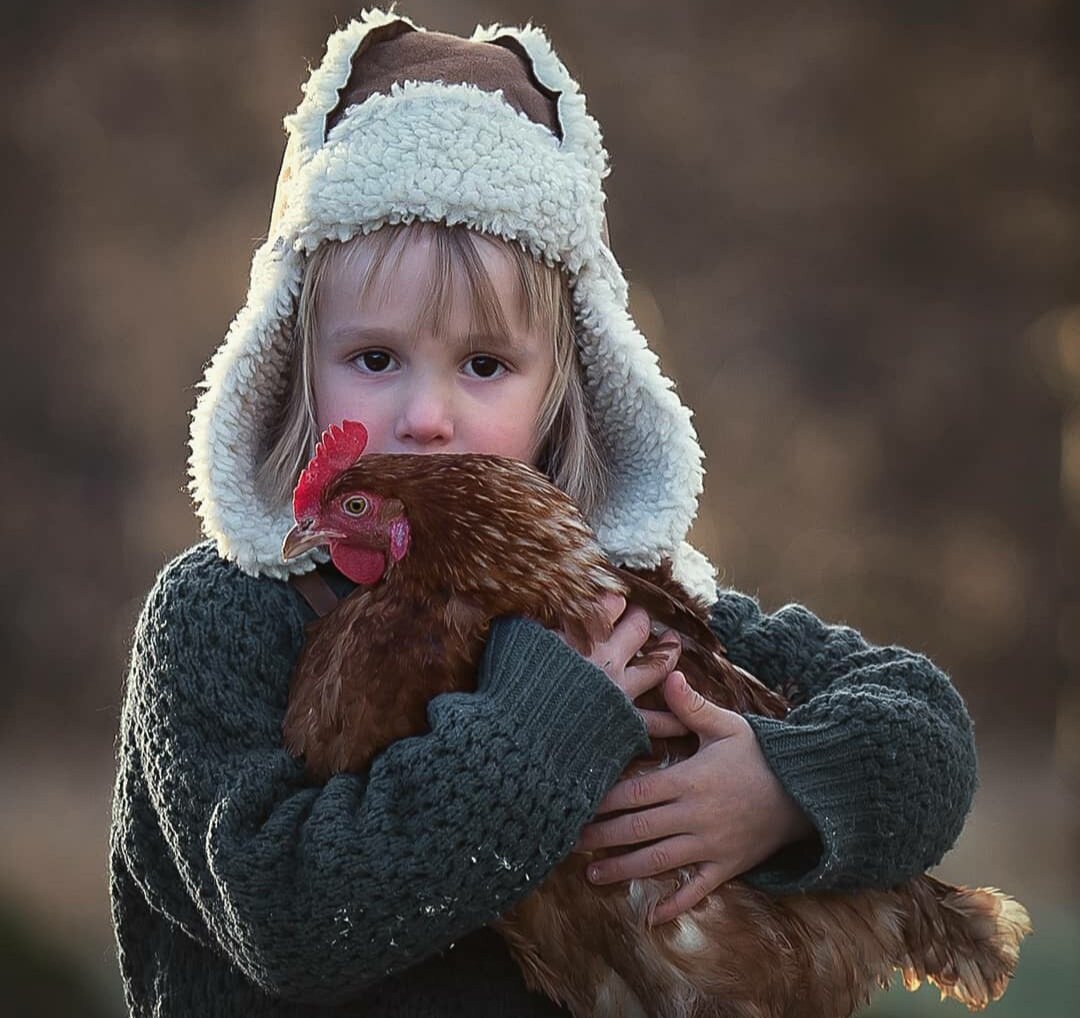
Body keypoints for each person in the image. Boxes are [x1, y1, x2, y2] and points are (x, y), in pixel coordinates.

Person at [109, 10, 977, 1017]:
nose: (425, 416)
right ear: (291, 362)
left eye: (483, 365)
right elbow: (287, 917)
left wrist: (781, 787)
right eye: (375, 358)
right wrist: (543, 726)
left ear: (564, 388)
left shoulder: (615, 601)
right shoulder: (222, 617)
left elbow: (926, 734)